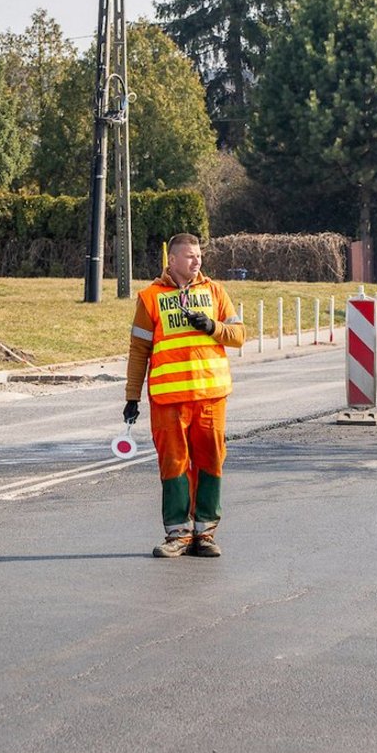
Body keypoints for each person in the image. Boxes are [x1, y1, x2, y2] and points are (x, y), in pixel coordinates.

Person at [123, 233, 245, 558]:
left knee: (211, 461)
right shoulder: (150, 298)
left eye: (199, 255)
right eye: (190, 256)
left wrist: (213, 327)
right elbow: (139, 350)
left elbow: (239, 335)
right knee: (174, 465)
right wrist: (131, 396)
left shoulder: (215, 292)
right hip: (168, 401)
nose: (197, 261)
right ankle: (178, 533)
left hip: (210, 397)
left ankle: (205, 534)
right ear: (172, 260)